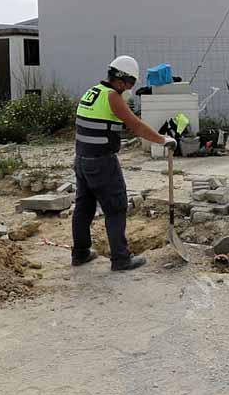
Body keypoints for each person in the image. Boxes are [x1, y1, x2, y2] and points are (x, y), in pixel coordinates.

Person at [72, 55, 177, 271]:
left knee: (84, 207)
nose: (130, 88)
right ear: (121, 80)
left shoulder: (92, 92)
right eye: (130, 84)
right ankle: (121, 258)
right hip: (102, 162)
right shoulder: (112, 96)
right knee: (116, 208)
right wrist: (163, 139)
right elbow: (135, 125)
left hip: (82, 160)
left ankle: (80, 253)